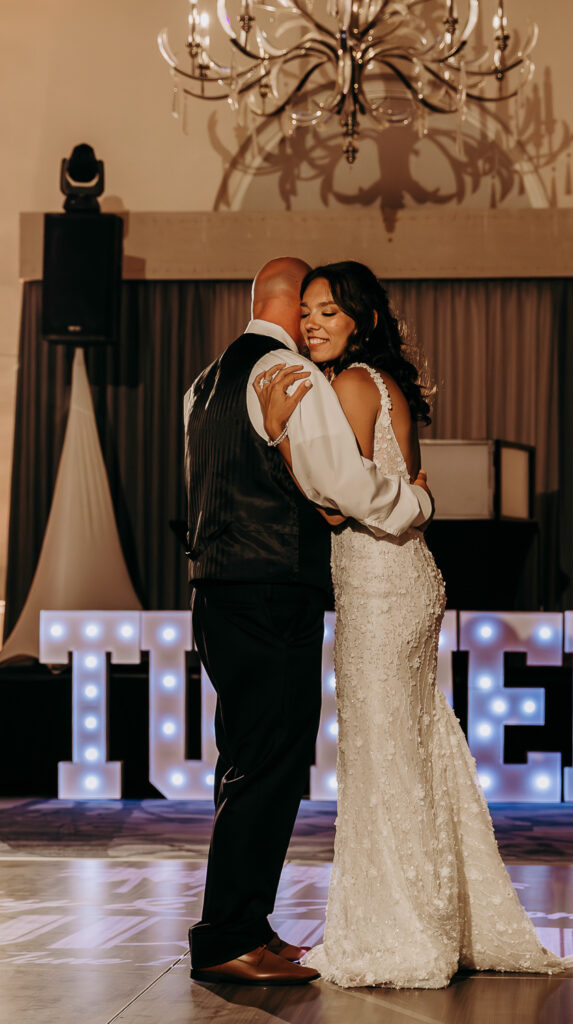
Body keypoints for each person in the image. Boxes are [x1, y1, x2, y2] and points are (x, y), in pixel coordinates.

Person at [254, 260, 573, 989]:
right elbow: (391, 488)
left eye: (328, 311)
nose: (310, 323)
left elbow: (336, 501)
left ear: (361, 321)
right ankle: (440, 916)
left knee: (382, 757)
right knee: (413, 745)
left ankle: (407, 930)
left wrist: (279, 439)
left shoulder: (344, 385)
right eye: (305, 311)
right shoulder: (383, 385)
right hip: (403, 578)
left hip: (377, 582)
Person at [184, 257, 433, 986]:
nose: (315, 322)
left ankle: (246, 924)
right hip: (271, 593)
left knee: (244, 762)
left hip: (214, 593)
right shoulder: (287, 375)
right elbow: (343, 486)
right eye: (312, 308)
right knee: (271, 766)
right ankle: (229, 936)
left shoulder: (203, 382)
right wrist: (416, 502)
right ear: (292, 308)